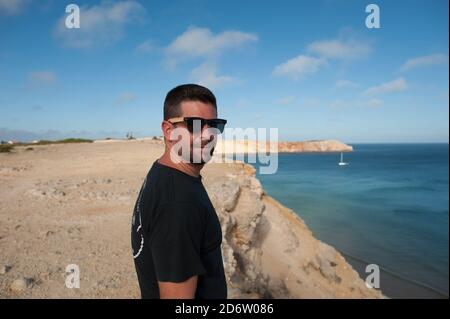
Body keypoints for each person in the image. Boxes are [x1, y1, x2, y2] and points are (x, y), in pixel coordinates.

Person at [131, 83, 228, 299]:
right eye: (193, 125)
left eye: (213, 124)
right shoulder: (179, 204)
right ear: (168, 131)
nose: (206, 135)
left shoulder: (164, 172)